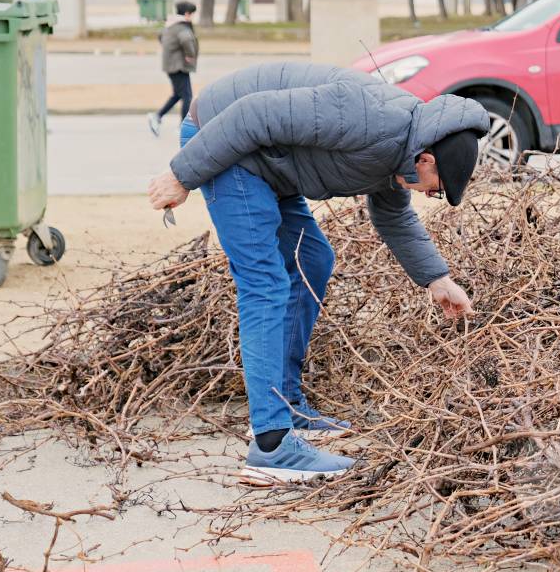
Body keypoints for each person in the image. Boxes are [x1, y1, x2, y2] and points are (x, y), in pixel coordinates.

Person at [146, 62, 489, 484]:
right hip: (224, 141)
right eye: (436, 188)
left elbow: (394, 218)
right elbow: (252, 115)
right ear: (427, 159)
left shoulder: (402, 152)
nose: (432, 196)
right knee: (265, 284)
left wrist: (437, 279)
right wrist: (182, 174)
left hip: (270, 165)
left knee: (312, 260)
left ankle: (286, 402)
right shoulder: (370, 117)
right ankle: (271, 445)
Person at [148, 1, 199, 136]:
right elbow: (187, 40)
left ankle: (157, 116)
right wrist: (189, 55)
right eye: (192, 14)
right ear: (187, 14)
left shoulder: (170, 24)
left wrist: (170, 50)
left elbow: (161, 36)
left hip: (171, 65)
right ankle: (183, 127)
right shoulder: (182, 27)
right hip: (178, 66)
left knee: (178, 95)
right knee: (187, 96)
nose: (192, 17)